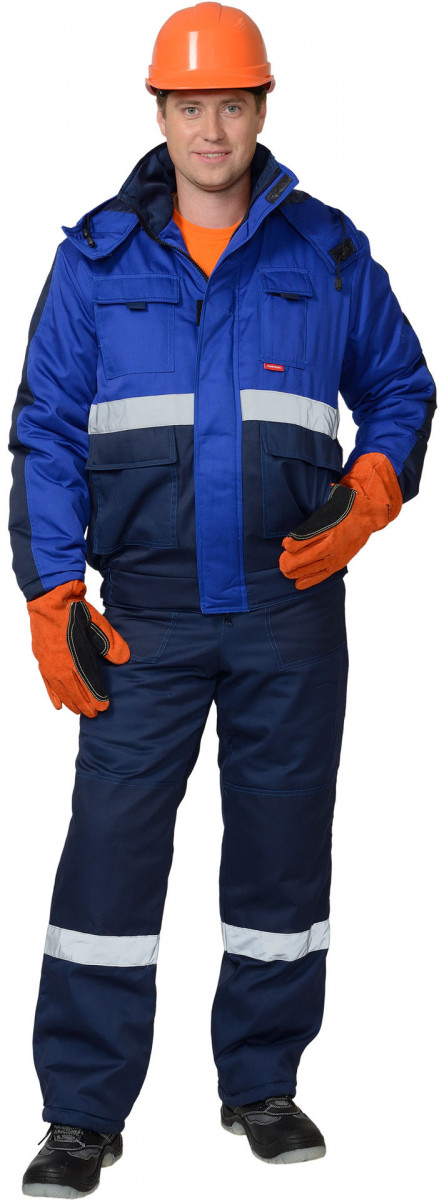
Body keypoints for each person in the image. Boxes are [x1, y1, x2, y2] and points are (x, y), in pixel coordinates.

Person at [9, 1, 436, 1193]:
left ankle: (261, 1083)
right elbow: (44, 433)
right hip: (140, 618)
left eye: (232, 104)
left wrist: (368, 493)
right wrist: (52, 592)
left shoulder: (327, 253)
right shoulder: (94, 261)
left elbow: (402, 388)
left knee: (281, 852)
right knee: (109, 852)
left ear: (261, 108)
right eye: (190, 104)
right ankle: (82, 1113)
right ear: (159, 112)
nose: (211, 127)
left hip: (288, 604)